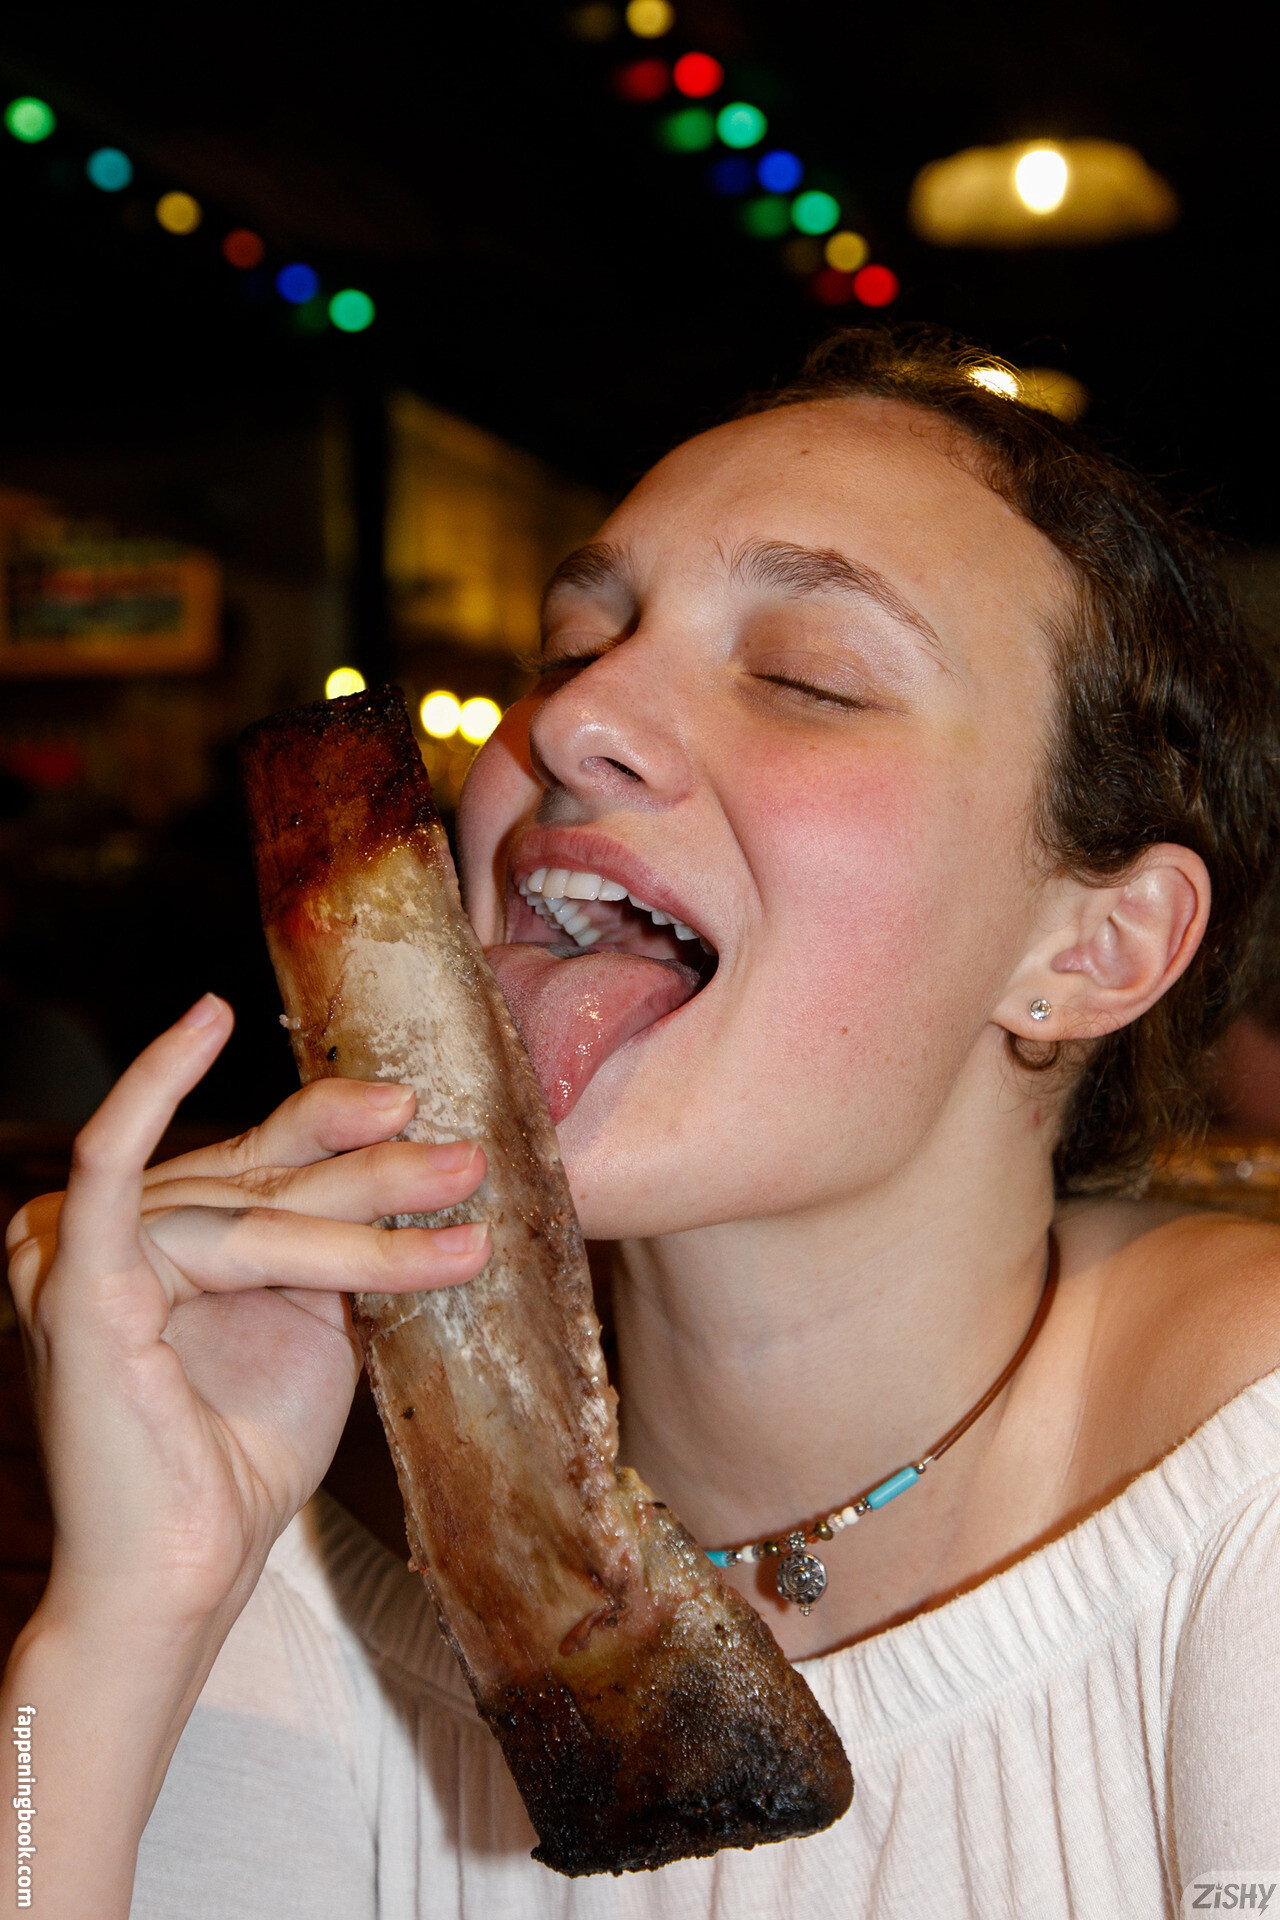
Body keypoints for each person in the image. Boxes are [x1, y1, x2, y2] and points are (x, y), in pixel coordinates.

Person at [5, 326, 1280, 1920]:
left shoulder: (1246, 1482)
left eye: (806, 678)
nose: (570, 717)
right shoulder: (300, 1481)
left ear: (1093, 950)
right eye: (570, 648)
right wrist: (124, 1626)